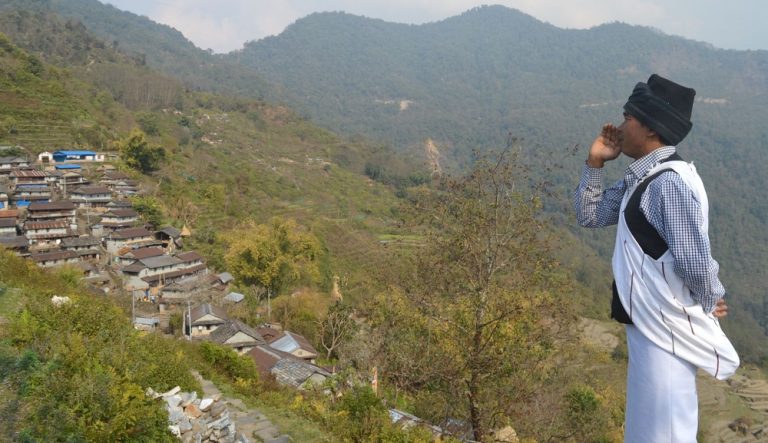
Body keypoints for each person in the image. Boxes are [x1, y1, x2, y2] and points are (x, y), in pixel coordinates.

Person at [573, 74, 739, 442]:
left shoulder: (666, 183)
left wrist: (710, 298)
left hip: (665, 331)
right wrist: (595, 162)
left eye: (627, 118)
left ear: (649, 127)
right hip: (651, 328)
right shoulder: (643, 178)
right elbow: (590, 215)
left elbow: (695, 261)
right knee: (650, 429)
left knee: (664, 431)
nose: (619, 128)